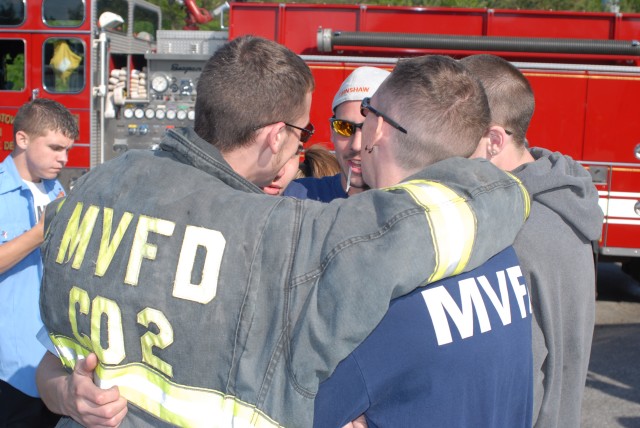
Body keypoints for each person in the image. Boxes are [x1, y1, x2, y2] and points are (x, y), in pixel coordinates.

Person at [36, 37, 529, 427]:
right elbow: (396, 234)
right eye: (305, 131)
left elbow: (48, 364)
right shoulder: (271, 237)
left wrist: (65, 394)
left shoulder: (96, 188)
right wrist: (512, 189)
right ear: (277, 136)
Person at [313, 55, 534, 428]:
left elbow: (286, 409)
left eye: (365, 113)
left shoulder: (377, 276)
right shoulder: (500, 246)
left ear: (378, 128)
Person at [460, 54, 603, 428]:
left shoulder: (511, 230)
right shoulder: (563, 202)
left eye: (453, 131)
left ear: (493, 140)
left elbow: (515, 380)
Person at [0, 98, 77, 427]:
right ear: (22, 139)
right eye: (56, 148)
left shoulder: (56, 190)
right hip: (12, 369)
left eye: (68, 150)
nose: (64, 158)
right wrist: (40, 232)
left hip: (56, 359)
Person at [284, 66, 389, 201]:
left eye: (370, 130)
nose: (356, 145)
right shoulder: (295, 198)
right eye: (343, 127)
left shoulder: (415, 207)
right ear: (332, 132)